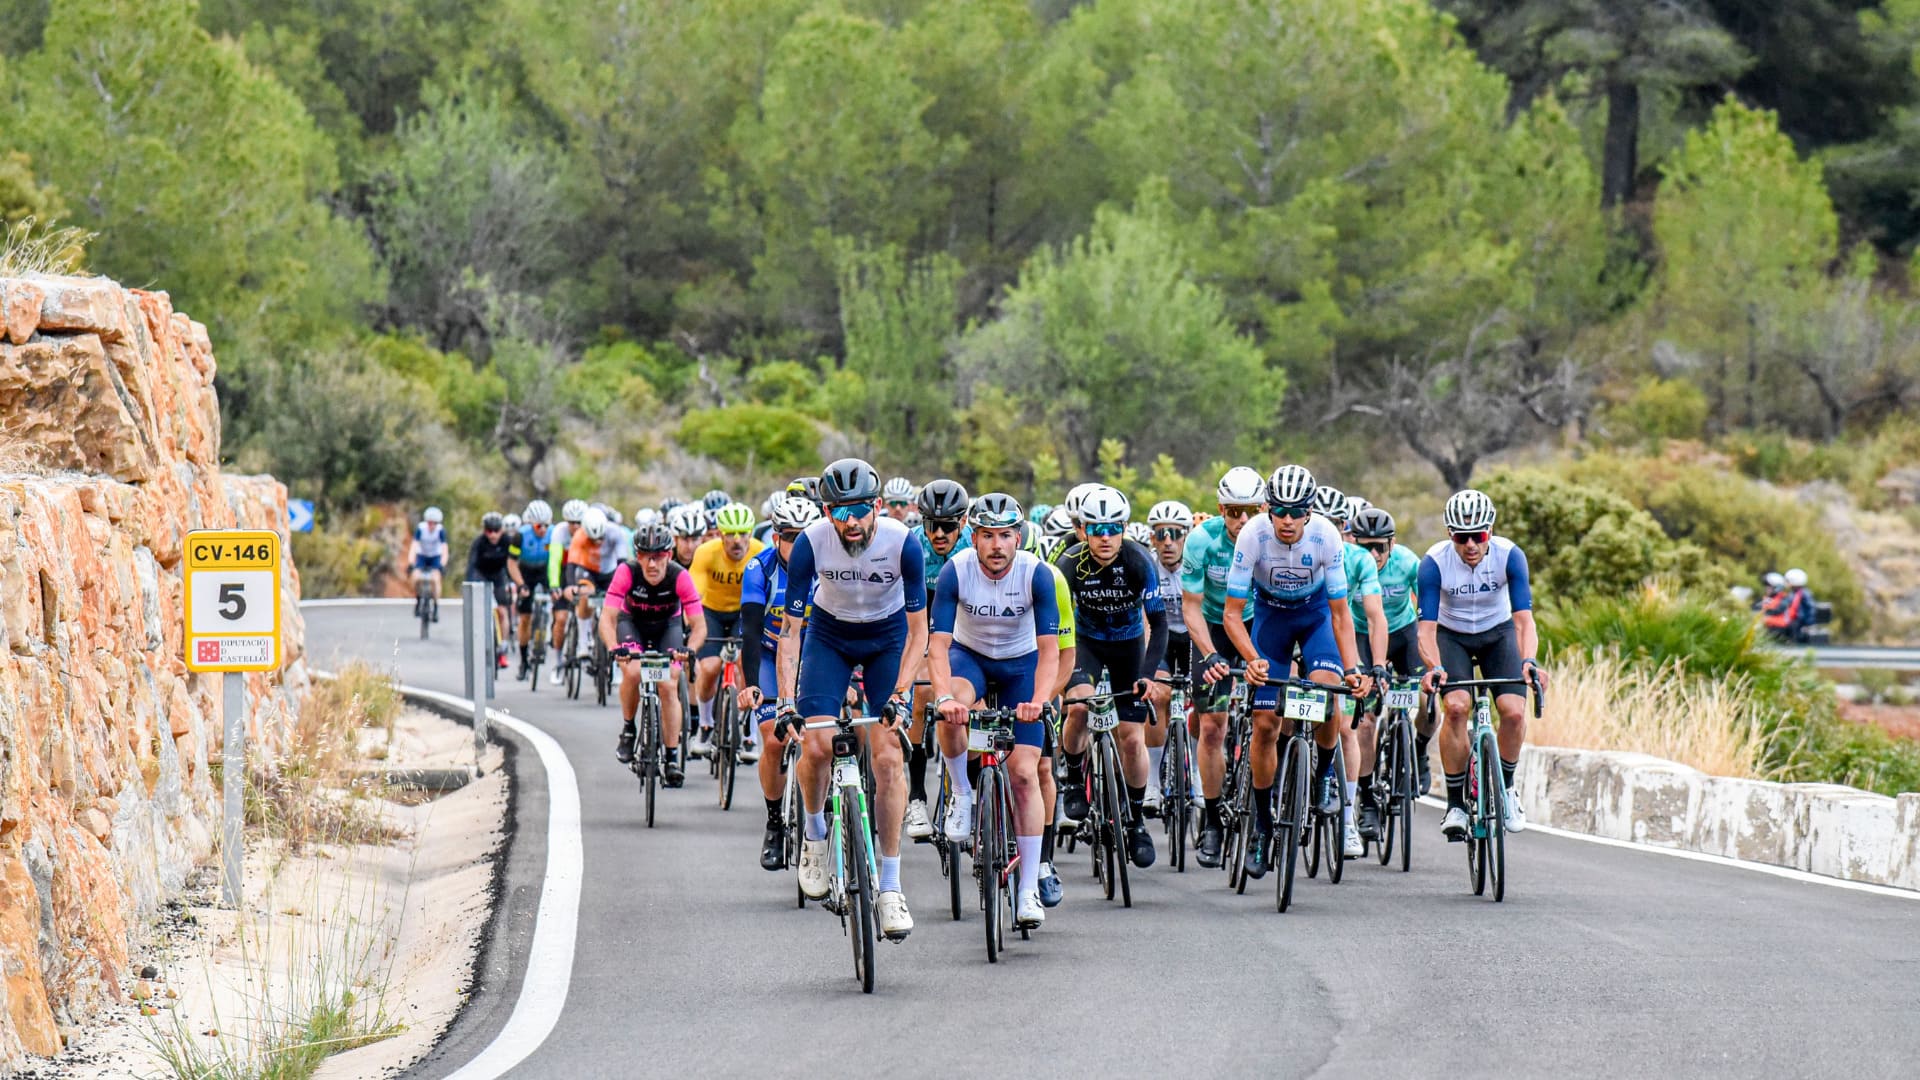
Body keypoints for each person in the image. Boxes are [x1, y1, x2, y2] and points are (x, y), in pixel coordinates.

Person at [774, 458, 928, 940]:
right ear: (826, 511)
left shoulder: (903, 543)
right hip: (829, 637)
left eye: (861, 509)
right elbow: (791, 632)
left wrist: (901, 694)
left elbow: (919, 631)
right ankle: (816, 837)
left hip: (886, 639)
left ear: (879, 506)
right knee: (816, 746)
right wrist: (785, 701)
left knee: (887, 759)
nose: (851, 521)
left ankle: (889, 887)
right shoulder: (809, 543)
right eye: (840, 511)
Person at [1218, 464, 1371, 880]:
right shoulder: (1252, 536)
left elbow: (1341, 616)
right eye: (1280, 511)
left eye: (1296, 512)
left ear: (1309, 511)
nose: (1287, 521)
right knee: (1266, 724)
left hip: (1316, 616)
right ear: (1268, 509)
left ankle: (1324, 775)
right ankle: (1263, 828)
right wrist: (1252, 659)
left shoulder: (1326, 536)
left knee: (1326, 692)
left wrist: (1353, 668)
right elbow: (1233, 615)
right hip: (1271, 619)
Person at [929, 493, 1061, 928]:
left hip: (1022, 666)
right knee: (949, 705)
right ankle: (963, 793)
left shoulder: (1035, 574)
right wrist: (945, 696)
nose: (997, 545)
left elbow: (1049, 652)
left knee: (1025, 773)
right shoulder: (956, 570)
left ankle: (1027, 892)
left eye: (1006, 536)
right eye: (988, 536)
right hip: (972, 659)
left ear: (1018, 538)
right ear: (974, 537)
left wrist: (1039, 702)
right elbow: (939, 646)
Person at [1417, 488, 1548, 841]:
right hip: (1452, 635)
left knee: (1514, 712)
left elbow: (1523, 622)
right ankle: (1456, 804)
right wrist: (1434, 666)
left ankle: (1506, 788)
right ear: (1450, 535)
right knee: (1457, 708)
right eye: (1462, 537)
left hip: (1497, 634)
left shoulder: (1510, 556)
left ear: (1490, 531)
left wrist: (1529, 662)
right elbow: (1426, 630)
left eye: (1479, 536)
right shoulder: (1433, 563)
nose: (1471, 545)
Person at [1053, 484, 1168, 870]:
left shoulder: (1139, 562)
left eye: (1113, 528)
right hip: (1084, 642)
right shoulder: (1068, 563)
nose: (1105, 537)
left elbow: (1160, 623)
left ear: (1123, 529)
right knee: (1080, 708)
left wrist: (1149, 676)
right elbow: (1050, 622)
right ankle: (1072, 776)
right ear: (1083, 530)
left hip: (1128, 646)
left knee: (1132, 738)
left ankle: (1135, 820)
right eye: (1096, 529)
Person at [1182, 466, 1266, 868]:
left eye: (1251, 510)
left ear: (1264, 508)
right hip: (1214, 629)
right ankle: (1213, 819)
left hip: (1258, 624)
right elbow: (1191, 608)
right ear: (1221, 510)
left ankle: (1268, 810)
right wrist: (1210, 653)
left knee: (1274, 722)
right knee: (1213, 727)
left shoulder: (1272, 538)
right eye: (1234, 511)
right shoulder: (1201, 541)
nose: (1243, 520)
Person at [739, 497, 822, 870]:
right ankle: (775, 823)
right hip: (772, 655)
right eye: (791, 537)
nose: (799, 544)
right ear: (776, 538)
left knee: (831, 733)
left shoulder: (829, 567)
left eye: (807, 536)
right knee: (774, 736)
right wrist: (752, 684)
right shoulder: (760, 568)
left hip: (816, 655)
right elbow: (751, 633)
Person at [604, 522, 704, 788]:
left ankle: (671, 757)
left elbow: (699, 625)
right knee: (634, 672)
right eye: (646, 556)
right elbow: (608, 617)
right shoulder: (626, 572)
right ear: (637, 556)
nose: (652, 563)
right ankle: (628, 729)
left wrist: (689, 649)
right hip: (632, 625)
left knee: (669, 683)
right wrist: (614, 647)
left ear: (668, 556)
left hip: (667, 628)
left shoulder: (679, 576)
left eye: (658, 556)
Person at [902, 478, 972, 841]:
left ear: (963, 524)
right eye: (932, 525)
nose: (939, 533)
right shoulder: (913, 545)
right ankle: (916, 796)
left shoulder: (976, 543)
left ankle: (972, 786)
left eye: (948, 525)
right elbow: (905, 612)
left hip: (967, 619)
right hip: (926, 619)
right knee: (919, 695)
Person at [687, 504, 766, 759]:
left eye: (743, 533)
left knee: (747, 665)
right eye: (730, 534)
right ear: (719, 535)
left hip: (744, 613)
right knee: (709, 667)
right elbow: (694, 595)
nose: (736, 540)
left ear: (750, 533)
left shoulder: (760, 552)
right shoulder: (705, 553)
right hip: (712, 612)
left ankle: (750, 734)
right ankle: (706, 725)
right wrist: (691, 622)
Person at [1143, 499, 1196, 818]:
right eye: (1160, 534)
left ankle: (1200, 780)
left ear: (1186, 536)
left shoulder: (1195, 563)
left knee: (1201, 705)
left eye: (1175, 534)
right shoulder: (1148, 566)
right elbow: (1145, 621)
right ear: (1152, 538)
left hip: (1191, 636)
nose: (1168, 542)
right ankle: (1152, 782)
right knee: (1159, 695)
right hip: (1160, 636)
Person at [509, 500, 555, 676]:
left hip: (545, 570)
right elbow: (512, 563)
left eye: (545, 525)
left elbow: (558, 562)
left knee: (556, 600)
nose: (542, 529)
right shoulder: (520, 536)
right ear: (530, 523)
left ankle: (547, 631)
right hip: (526, 571)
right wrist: (520, 584)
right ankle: (523, 660)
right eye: (538, 525)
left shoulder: (554, 534)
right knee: (525, 617)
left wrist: (555, 585)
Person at [464, 512, 515, 669]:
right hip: (482, 575)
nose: (493, 535)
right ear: (485, 531)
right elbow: (471, 566)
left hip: (499, 576)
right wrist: (470, 585)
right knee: (481, 610)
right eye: (489, 531)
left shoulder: (507, 541)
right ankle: (480, 642)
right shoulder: (479, 543)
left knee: (502, 612)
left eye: (496, 530)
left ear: (502, 530)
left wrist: (512, 581)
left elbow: (512, 563)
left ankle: (503, 645)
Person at [408, 507, 448, 620]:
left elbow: (444, 549)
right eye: (430, 523)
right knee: (415, 577)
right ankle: (418, 598)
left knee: (435, 579)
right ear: (426, 522)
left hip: (435, 556)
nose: (432, 526)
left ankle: (435, 606)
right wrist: (411, 562)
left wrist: (442, 565)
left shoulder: (440, 531)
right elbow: (414, 546)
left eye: (434, 523)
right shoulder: (421, 529)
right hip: (422, 556)